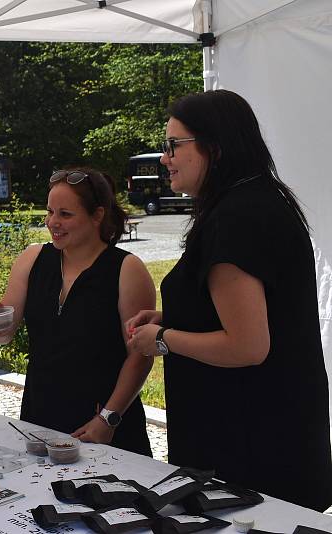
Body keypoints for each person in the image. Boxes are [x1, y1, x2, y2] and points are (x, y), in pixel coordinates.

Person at [127, 89, 332, 511]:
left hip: (248, 446)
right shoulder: (258, 199)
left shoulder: (235, 219)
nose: (164, 158)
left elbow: (248, 345)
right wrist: (175, 314)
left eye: (173, 146)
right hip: (273, 431)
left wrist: (163, 338)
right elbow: (258, 308)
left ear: (215, 148)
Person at [0, 168, 155, 456]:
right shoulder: (32, 259)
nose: (53, 222)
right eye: (50, 212)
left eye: (65, 214)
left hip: (101, 425)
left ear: (97, 215)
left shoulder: (126, 269)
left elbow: (140, 354)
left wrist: (109, 418)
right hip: (40, 419)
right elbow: (4, 333)